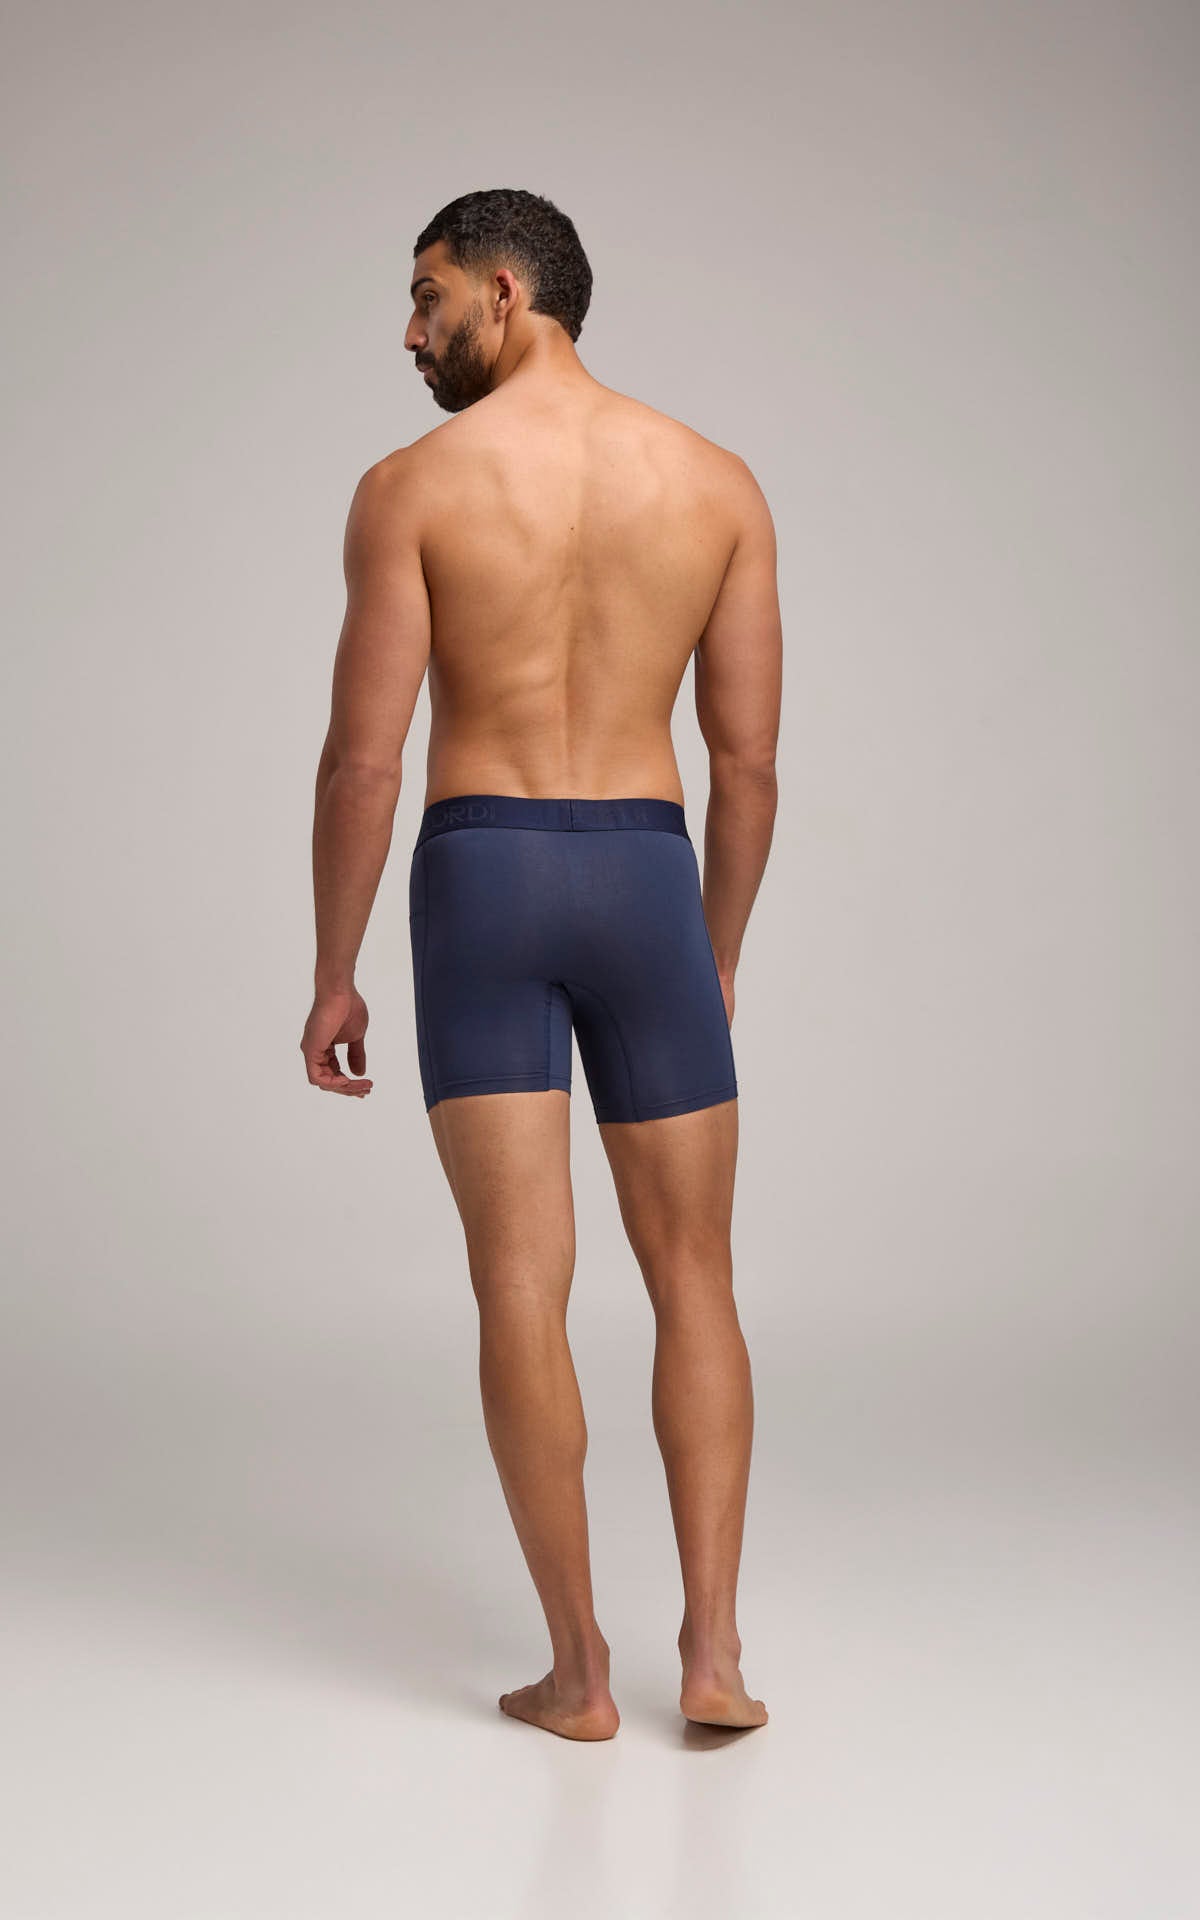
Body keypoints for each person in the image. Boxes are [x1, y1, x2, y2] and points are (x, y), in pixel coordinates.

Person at [302, 188, 781, 1741]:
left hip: (485, 875)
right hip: (646, 877)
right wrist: (712, 948)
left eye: (429, 295)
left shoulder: (411, 489)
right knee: (696, 1275)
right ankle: (712, 1659)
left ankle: (578, 1675)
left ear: (507, 292)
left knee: (520, 1280)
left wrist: (334, 969)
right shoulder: (714, 482)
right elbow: (747, 764)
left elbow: (363, 763)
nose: (411, 330)